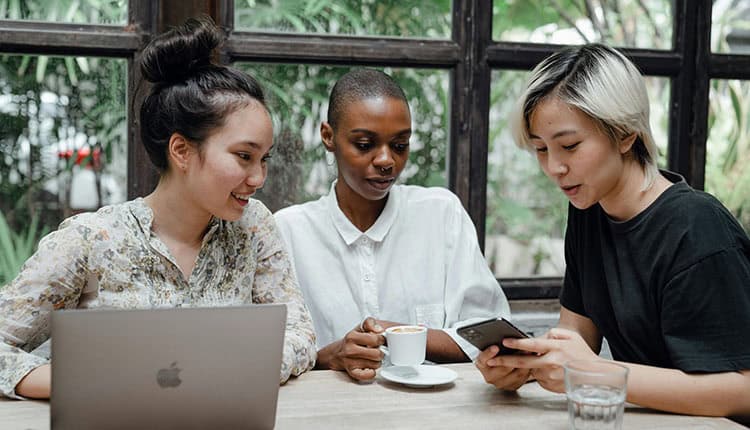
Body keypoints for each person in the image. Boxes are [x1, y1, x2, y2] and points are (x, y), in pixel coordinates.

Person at [0, 17, 316, 400]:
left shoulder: (253, 226)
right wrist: (82, 381)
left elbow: (299, 335)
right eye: (244, 156)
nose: (258, 177)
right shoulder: (91, 240)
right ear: (182, 151)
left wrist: (232, 369)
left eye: (264, 158)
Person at [475, 43, 750, 418]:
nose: (554, 167)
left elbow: (743, 390)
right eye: (541, 149)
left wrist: (597, 374)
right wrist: (526, 367)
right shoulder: (589, 210)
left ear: (625, 134)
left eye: (569, 146)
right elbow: (576, 339)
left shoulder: (698, 228)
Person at [274, 69, 510, 381]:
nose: (386, 160)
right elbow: (265, 355)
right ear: (328, 136)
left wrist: (396, 333)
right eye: (364, 144)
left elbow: (490, 335)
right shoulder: (289, 231)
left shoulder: (440, 213)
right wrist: (326, 356)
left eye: (400, 145)